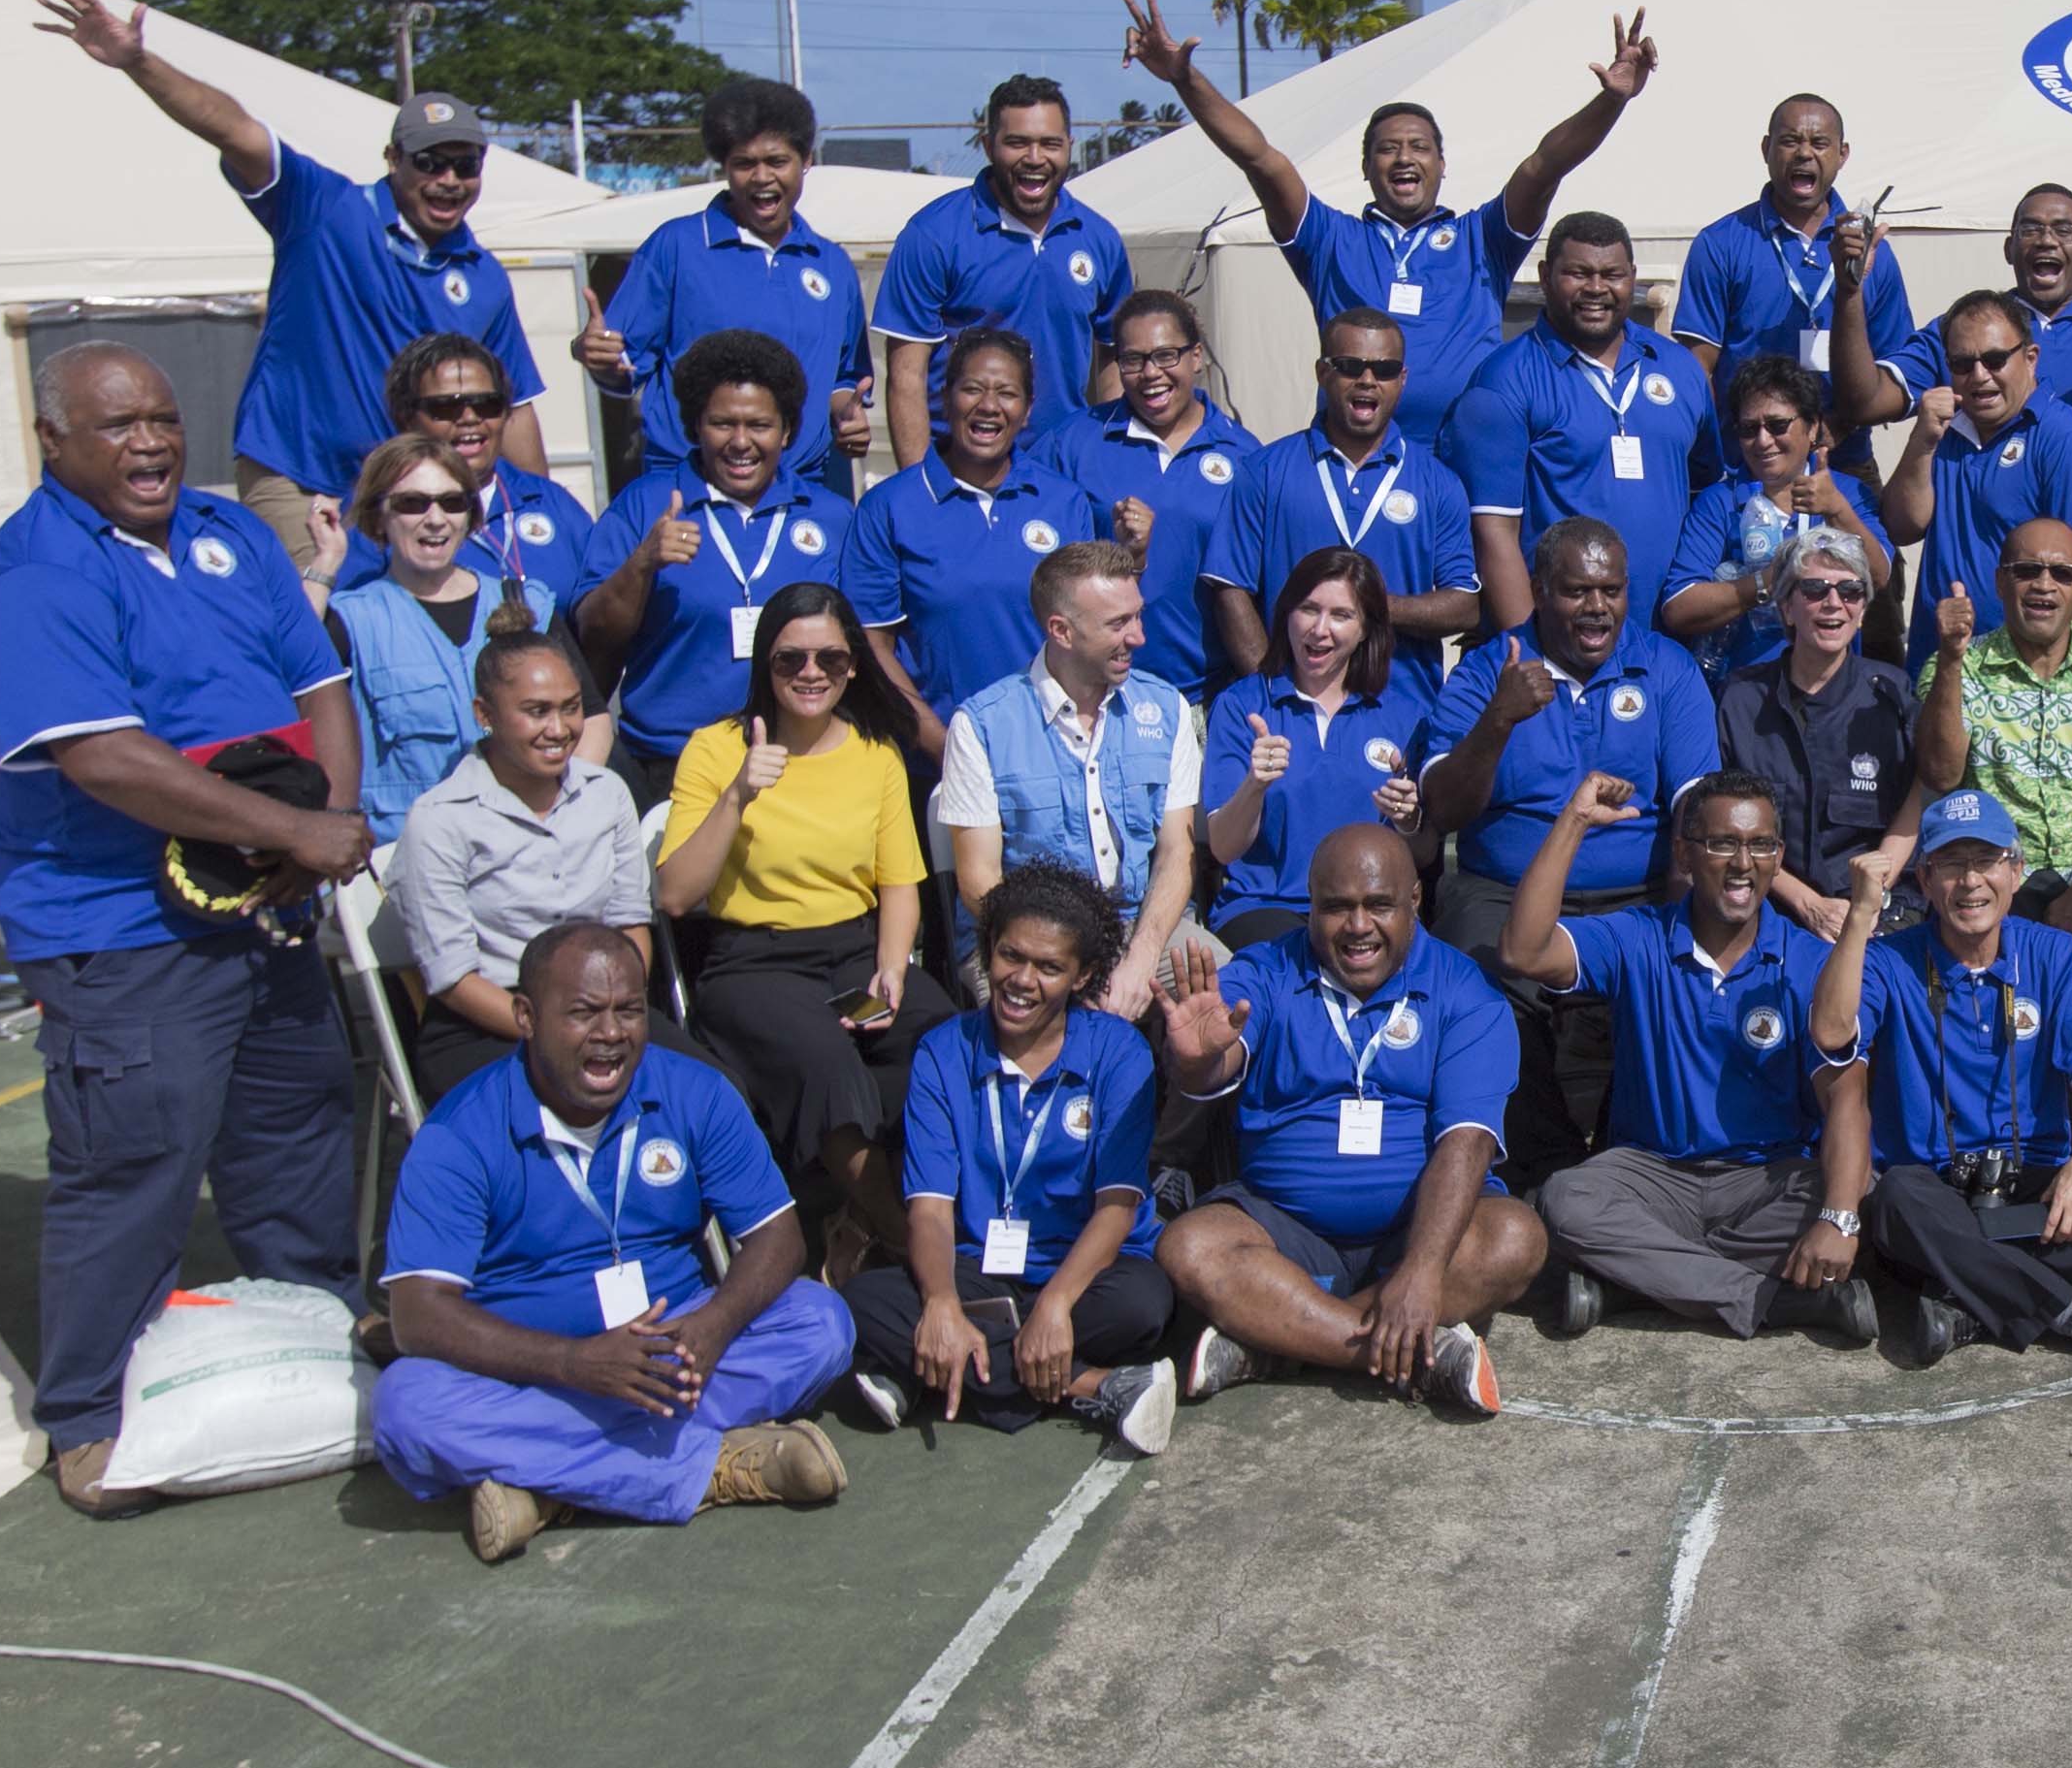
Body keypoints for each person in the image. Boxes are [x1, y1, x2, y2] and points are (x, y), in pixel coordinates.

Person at [0, 341, 372, 1517]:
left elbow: (318, 685)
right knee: (134, 1162)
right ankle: (85, 1418)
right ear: (54, 443)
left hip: (269, 906)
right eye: (116, 425)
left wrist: (324, 821)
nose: (149, 441)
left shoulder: (229, 532)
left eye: (159, 418)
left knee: (296, 1129)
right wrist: (290, 832)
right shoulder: (34, 569)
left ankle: (317, 1341)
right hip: (124, 927)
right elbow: (104, 757)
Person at [370, 925, 855, 1564]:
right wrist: (576, 1365)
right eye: (582, 1012)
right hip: (529, 1373)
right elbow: (418, 1314)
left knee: (822, 1322)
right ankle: (717, 1467)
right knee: (407, 1408)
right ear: (525, 1016)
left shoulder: (696, 1092)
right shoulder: (458, 1133)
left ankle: (549, 1491)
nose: (610, 1033)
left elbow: (776, 1236)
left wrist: (711, 1328)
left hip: (675, 1350)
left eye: (628, 1010)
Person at [37, 0, 550, 571]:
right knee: (327, 624)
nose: (449, 179)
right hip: (303, 479)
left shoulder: (483, 276)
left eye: (466, 165)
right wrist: (137, 62)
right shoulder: (327, 211)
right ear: (393, 159)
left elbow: (516, 406)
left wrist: (539, 513)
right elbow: (234, 129)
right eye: (430, 162)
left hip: (414, 493)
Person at [1125, 0, 1653, 449]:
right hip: (1350, 456)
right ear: (1365, 167)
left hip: (1465, 465)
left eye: (1420, 147)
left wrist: (1611, 102)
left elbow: (1545, 165)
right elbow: (1261, 158)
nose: (1404, 158)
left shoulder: (1481, 239)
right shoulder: (1329, 239)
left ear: (1442, 165)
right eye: (1387, 149)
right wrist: (1186, 80)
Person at [1150, 823, 1546, 1409]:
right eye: (1336, 908)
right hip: (1283, 1228)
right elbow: (1218, 1056)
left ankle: (1276, 1343)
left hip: (1415, 1230)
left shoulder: (1468, 993)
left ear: (1414, 902)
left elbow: (1465, 1143)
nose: (1358, 927)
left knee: (1516, 1238)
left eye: (1378, 905)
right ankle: (1402, 1353)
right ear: (1309, 909)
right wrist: (1197, 1063)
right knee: (1191, 1247)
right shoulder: (1265, 972)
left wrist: (1422, 1269)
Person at [1497, 773, 1879, 1339]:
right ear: (1684, 854)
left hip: (1766, 1178)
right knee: (1568, 1198)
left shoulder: (1808, 959)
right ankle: (1769, 1300)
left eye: (1761, 845)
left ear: (1778, 856)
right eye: (1722, 843)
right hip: (1653, 1175)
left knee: (1858, 1191)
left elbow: (1847, 1095)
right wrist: (1574, 820)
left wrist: (1840, 1219)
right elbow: (1522, 950)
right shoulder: (1639, 936)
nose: (1742, 863)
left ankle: (1635, 1282)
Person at [832, 865, 1190, 1454]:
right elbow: (929, 1209)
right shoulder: (942, 1052)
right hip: (978, 1270)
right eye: (1010, 956)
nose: (1022, 980)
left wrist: (1054, 1304)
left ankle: (935, 1369)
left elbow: (1118, 1207)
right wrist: (943, 1301)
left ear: (1084, 977)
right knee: (864, 1302)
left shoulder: (1119, 1052)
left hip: (1084, 1272)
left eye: (1049, 967)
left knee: (1144, 1303)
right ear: (987, 951)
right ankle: (1093, 1383)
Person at [1824, 788, 2072, 1365]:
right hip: (1935, 1197)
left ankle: (1967, 1302)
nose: (1971, 882)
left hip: (2035, 1192)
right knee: (1896, 1197)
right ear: (1924, 879)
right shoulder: (1889, 960)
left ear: (2016, 871)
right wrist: (1861, 916)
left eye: (1987, 861)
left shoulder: (2054, 953)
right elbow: (1833, 1034)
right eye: (1951, 865)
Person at [1420, 518, 1723, 1177]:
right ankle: (1547, 1171)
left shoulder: (1666, 668)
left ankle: (1626, 1163)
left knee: (1679, 982)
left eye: (1611, 591)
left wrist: (1681, 921)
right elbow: (1442, 809)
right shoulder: (1487, 672)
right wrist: (1499, 719)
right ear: (1538, 590)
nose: (1597, 608)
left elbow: (1695, 816)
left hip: (1635, 894)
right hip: (1501, 889)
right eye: (1577, 591)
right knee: (1474, 985)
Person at [656, 582, 955, 1213]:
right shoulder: (715, 750)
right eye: (791, 658)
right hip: (756, 966)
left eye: (831, 659)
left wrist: (893, 970)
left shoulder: (875, 754)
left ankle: (923, 1217)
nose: (811, 673)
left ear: (853, 665)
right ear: (766, 662)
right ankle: (899, 1241)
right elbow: (677, 895)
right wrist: (737, 796)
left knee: (939, 1037)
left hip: (853, 957)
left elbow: (899, 883)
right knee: (826, 1062)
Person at [569, 332, 862, 818]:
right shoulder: (646, 505)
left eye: (759, 425)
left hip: (802, 761)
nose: (741, 442)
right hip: (671, 762)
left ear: (787, 431)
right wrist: (642, 564)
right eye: (722, 424)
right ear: (695, 428)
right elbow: (593, 632)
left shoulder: (832, 516)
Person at [388, 631, 668, 1101]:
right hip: (490, 1020)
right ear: (485, 715)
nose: (559, 729)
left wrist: (610, 1016)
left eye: (572, 707)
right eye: (537, 711)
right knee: (556, 1115)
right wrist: (556, 1031)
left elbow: (631, 923)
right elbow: (454, 978)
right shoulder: (440, 818)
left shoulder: (607, 793)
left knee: (711, 1093)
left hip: (605, 1009)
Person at [933, 543, 1204, 1021]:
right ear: (1061, 630)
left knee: (1223, 1016)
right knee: (1058, 1027)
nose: (1138, 637)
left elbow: (1176, 855)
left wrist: (1139, 960)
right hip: (1023, 941)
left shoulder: (1166, 710)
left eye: (1138, 617)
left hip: (1145, 927)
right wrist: (1069, 968)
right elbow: (979, 884)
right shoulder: (983, 725)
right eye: (1118, 624)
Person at [576, 75, 872, 494]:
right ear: (724, 167)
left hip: (802, 492)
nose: (761, 177)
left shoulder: (832, 264)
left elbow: (845, 378)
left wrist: (848, 417)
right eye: (744, 163)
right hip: (688, 490)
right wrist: (596, 357)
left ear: (806, 159)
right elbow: (622, 367)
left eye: (777, 161)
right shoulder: (676, 246)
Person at [1450, 213, 1720, 634]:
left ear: (1633, 277)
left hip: (1668, 643)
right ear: (1544, 276)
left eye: (1612, 274)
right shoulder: (1502, 381)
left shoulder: (1681, 369)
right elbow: (1493, 534)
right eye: (1578, 273)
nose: (1596, 288)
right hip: (1561, 643)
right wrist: (1532, 659)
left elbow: (1707, 493)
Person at [845, 327, 1111, 753]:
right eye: (972, 389)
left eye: (1007, 393)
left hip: (1051, 754)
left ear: (1027, 411)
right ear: (945, 398)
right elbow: (874, 646)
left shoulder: (1065, 501)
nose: (989, 406)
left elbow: (1084, 633)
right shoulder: (889, 508)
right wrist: (945, 747)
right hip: (932, 759)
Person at [1202, 304, 1485, 686]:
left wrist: (1372, 606)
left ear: (1402, 379)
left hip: (1402, 712)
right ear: (1323, 372)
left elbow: (1465, 606)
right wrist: (1267, 688)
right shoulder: (1264, 471)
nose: (1367, 379)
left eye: (1384, 370)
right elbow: (1230, 587)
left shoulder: (1439, 483)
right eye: (1351, 366)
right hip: (1292, 711)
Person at [868, 74, 1130, 469]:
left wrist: (1110, 459)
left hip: (1064, 471)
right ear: (988, 146)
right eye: (1017, 142)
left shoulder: (1099, 237)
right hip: (960, 468)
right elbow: (907, 376)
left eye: (1050, 144)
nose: (1035, 158)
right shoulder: (934, 235)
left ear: (1070, 148)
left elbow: (1114, 353)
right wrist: (918, 494)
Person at [330, 428, 575, 842]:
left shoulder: (527, 601)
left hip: (521, 847)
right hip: (404, 855)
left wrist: (560, 818)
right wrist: (323, 566)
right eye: (412, 503)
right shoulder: (349, 619)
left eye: (452, 502)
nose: (436, 518)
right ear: (378, 517)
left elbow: (591, 716)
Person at [1917, 517, 2072, 936]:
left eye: (2062, 573)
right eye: (2027, 571)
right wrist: (1951, 658)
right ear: (2001, 582)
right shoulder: (1955, 667)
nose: (2044, 584)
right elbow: (1940, 774)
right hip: (1991, 888)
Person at [1198, 548, 1436, 951]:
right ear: (1286, 613)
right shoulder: (1243, 705)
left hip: (1369, 916)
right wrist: (1254, 786)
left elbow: (1425, 854)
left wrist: (1407, 820)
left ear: (1366, 629)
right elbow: (1223, 847)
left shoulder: (1405, 716)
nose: (1319, 629)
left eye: (1341, 615)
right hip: (1267, 907)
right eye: (1308, 609)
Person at [1836, 180, 2072, 439]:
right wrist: (1850, 292)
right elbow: (1865, 403)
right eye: (2030, 229)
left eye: (2063, 230)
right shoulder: (1963, 331)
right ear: (2009, 249)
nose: (2046, 240)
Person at [1713, 523, 1926, 926]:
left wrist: (1867, 902)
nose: (1833, 603)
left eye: (1850, 592)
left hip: (1876, 908)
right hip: (1770, 909)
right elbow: (1720, 825)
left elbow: (1915, 801)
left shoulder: (1893, 694)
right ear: (1786, 609)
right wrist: (1808, 904)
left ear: (1862, 611)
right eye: (1814, 590)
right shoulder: (1739, 701)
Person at [1054, 290, 1264, 690]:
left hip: (1207, 695)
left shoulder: (1245, 455)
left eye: (1167, 355)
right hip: (1101, 693)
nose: (1151, 373)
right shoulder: (1074, 442)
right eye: (1133, 360)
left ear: (1197, 356)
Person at [1889, 289, 2072, 642]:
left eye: (1995, 360)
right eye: (1963, 365)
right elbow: (1902, 527)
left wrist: (2061, 683)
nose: (1979, 375)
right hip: (1937, 666)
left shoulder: (2069, 442)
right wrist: (1921, 443)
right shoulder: (1943, 431)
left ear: (2030, 358)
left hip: (2022, 681)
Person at [1658, 355, 1893, 674]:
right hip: (1744, 693)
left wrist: (1836, 510)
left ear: (1813, 427)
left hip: (1831, 690)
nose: (1763, 441)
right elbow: (1680, 608)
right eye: (1749, 429)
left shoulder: (1849, 494)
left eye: (1778, 425)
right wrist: (1768, 580)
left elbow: (1878, 578)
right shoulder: (1719, 501)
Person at [319, 335, 591, 605]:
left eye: (488, 404)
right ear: (406, 418)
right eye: (447, 407)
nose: (470, 418)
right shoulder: (381, 512)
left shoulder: (551, 502)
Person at [1675, 91, 1908, 382]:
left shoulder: (1871, 251)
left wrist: (1840, 424)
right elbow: (1698, 371)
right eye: (1790, 141)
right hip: (1747, 428)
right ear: (1765, 148)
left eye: (1820, 143)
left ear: (1842, 154)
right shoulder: (1719, 244)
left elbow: (1895, 368)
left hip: (1844, 429)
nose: (1804, 153)